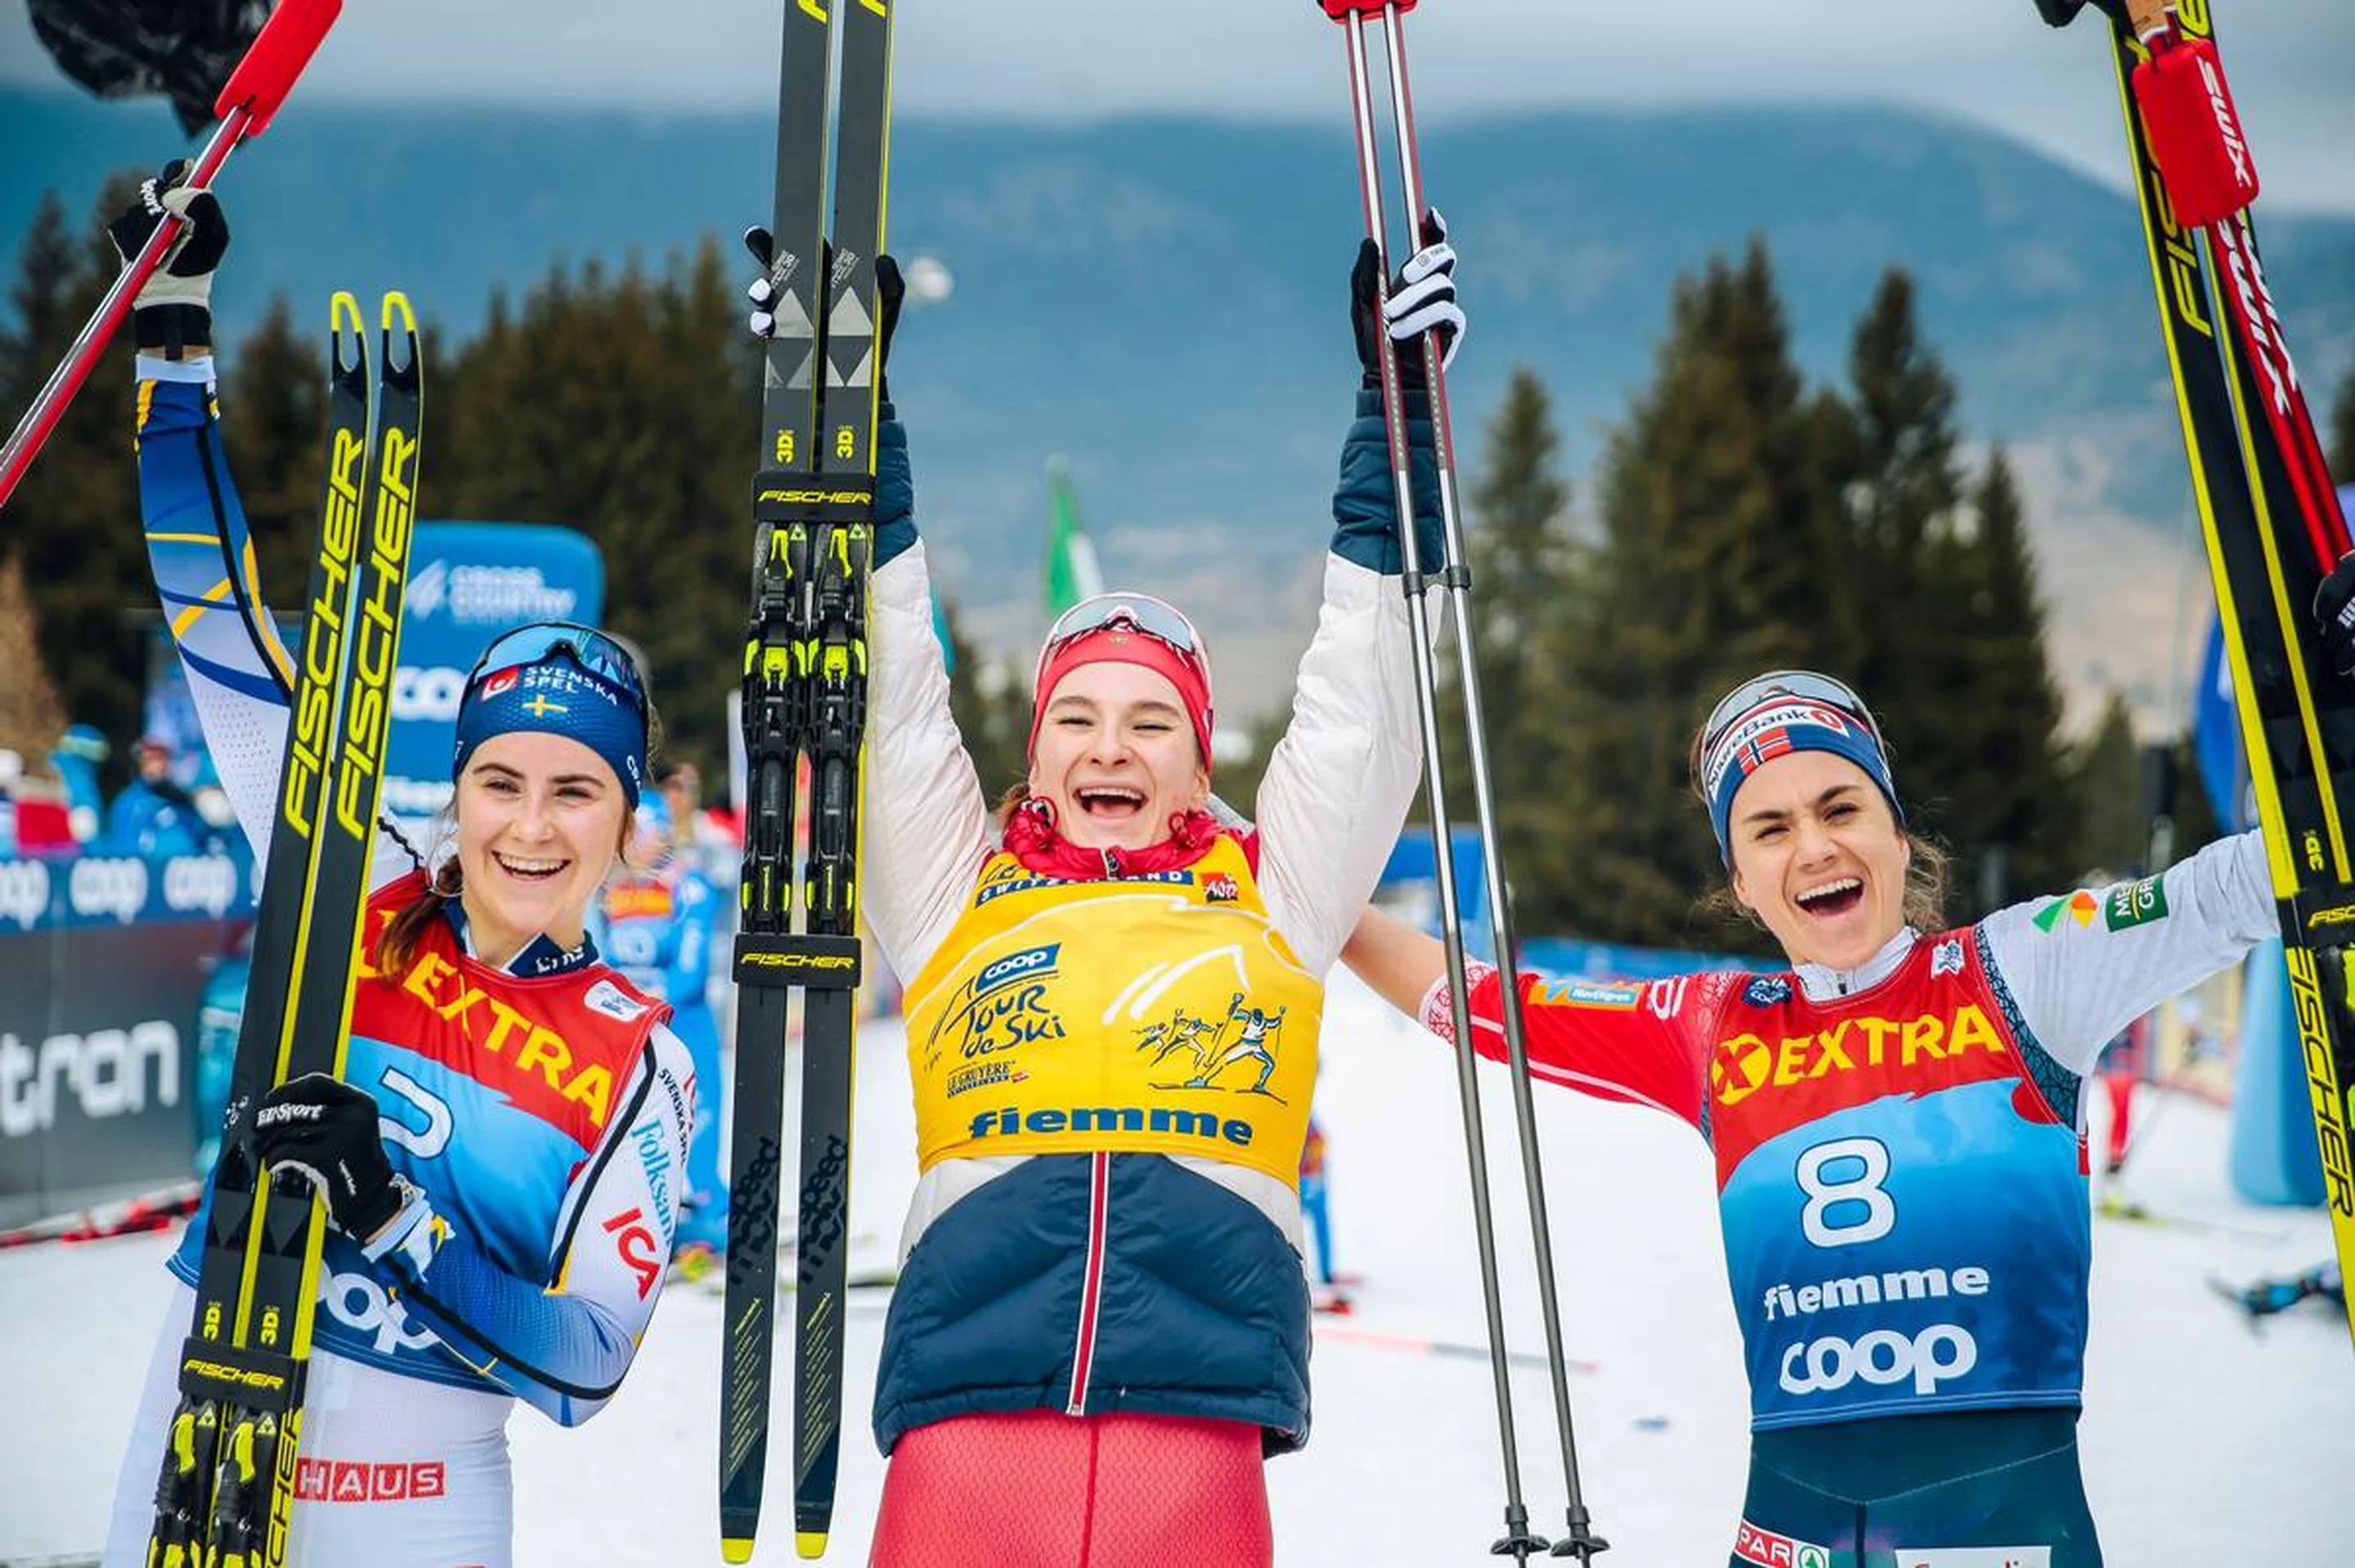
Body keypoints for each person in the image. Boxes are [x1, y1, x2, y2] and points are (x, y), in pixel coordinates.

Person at [764, 207, 1459, 1564]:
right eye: (1079, 716)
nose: (1111, 746)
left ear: (1202, 762)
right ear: (1037, 750)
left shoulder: (1279, 889)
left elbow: (1366, 694)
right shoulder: (957, 891)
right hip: (967, 1423)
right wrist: (853, 419)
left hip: (1192, 1431)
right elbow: (890, 691)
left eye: (1153, 722)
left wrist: (1403, 410)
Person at [1344, 670, 2290, 1568]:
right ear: (1740, 881)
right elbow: (1481, 1001)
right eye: (1770, 828)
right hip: (1789, 1538)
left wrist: (2328, 742)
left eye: (1841, 809)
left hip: (2010, 1529)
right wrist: (1300, 878)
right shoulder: (1712, 1029)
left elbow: (2243, 885)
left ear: (1899, 836)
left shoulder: (2025, 973)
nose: (1814, 847)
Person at [99, 168, 695, 1568]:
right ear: (459, 790)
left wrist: (393, 1217)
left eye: (575, 791)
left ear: (624, 820)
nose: (531, 827)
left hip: (422, 1504)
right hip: (202, 1428)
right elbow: (218, 628)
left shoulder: (637, 1065)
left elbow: (592, 1360)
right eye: (500, 782)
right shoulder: (343, 887)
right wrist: (170, 335)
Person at [601, 790, 729, 1258]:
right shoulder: (609, 887)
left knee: (696, 1114)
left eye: (645, 831)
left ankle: (705, 1212)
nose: (637, 843)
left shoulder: (687, 885)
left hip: (681, 1023)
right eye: (630, 832)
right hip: (624, 1029)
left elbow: (690, 970)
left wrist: (646, 1004)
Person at [102, 734, 206, 857]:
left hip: (188, 868)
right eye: (151, 759)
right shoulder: (130, 802)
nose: (158, 765)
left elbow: (200, 836)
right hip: (150, 871)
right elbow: (125, 850)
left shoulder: (181, 800)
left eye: (162, 758)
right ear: (140, 764)